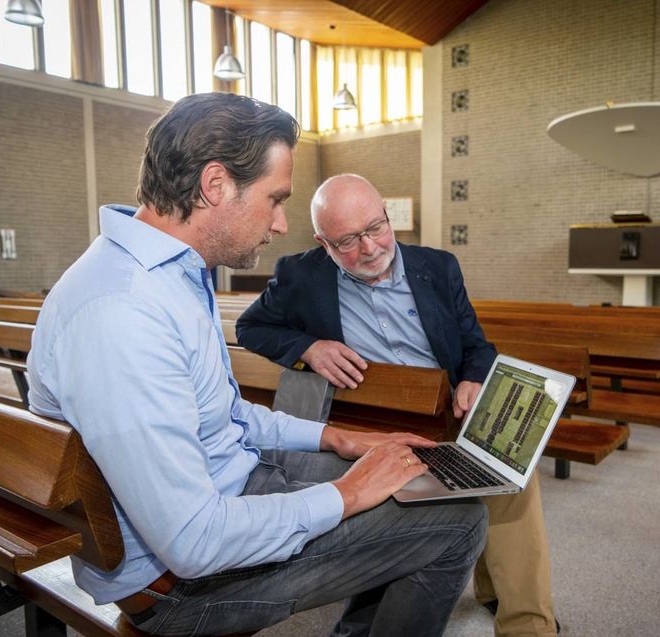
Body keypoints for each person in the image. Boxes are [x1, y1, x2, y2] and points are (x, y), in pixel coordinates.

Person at [26, 94, 486, 637]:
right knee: (458, 521)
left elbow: (225, 415)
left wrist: (340, 439)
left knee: (416, 477)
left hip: (233, 481)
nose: (279, 222)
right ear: (216, 185)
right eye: (274, 199)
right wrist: (349, 493)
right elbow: (195, 540)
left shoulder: (166, 273)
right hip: (177, 585)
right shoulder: (123, 312)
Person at [236, 174, 560, 637]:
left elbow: (477, 346)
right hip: (368, 427)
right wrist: (308, 347)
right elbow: (252, 328)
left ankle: (527, 625)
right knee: (417, 496)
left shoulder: (439, 267)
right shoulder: (300, 275)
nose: (369, 248)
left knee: (512, 475)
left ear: (387, 215)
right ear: (323, 243)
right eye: (349, 240)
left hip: (446, 416)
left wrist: (471, 377)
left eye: (376, 227)